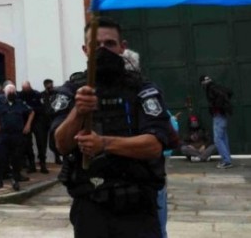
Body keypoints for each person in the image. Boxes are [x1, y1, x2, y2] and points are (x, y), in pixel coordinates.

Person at [53, 17, 176, 238]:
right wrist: (78, 112)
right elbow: (60, 145)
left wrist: (104, 143)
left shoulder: (142, 89)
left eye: (109, 44)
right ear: (85, 49)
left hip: (138, 207)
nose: (103, 50)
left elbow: (154, 145)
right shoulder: (72, 91)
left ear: (122, 47)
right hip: (91, 207)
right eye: (95, 45)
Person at [0, 83, 34, 191]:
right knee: (0, 158)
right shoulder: (0, 102)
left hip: (17, 135)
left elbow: (31, 112)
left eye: (13, 92)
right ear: (5, 93)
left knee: (16, 159)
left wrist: (28, 124)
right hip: (3, 135)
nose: (11, 94)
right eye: (9, 93)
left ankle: (15, 180)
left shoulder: (20, 103)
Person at [201, 75, 234, 169]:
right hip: (222, 115)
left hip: (218, 115)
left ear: (203, 83)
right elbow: (229, 92)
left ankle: (226, 161)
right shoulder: (217, 86)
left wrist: (216, 107)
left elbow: (221, 96)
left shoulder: (210, 89)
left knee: (218, 139)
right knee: (223, 138)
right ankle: (227, 159)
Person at [20, 80, 45, 173]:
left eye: (27, 89)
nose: (26, 90)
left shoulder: (37, 94)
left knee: (40, 142)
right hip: (25, 121)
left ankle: (43, 164)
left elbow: (42, 108)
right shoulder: (20, 95)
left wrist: (31, 109)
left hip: (37, 121)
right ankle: (31, 165)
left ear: (30, 87)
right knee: (27, 144)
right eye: (24, 89)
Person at [40, 79, 63, 165]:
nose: (51, 88)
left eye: (51, 86)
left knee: (54, 140)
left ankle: (57, 158)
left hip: (54, 120)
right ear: (45, 86)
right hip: (43, 121)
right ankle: (43, 161)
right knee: (42, 142)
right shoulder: (41, 95)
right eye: (49, 86)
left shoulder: (56, 94)